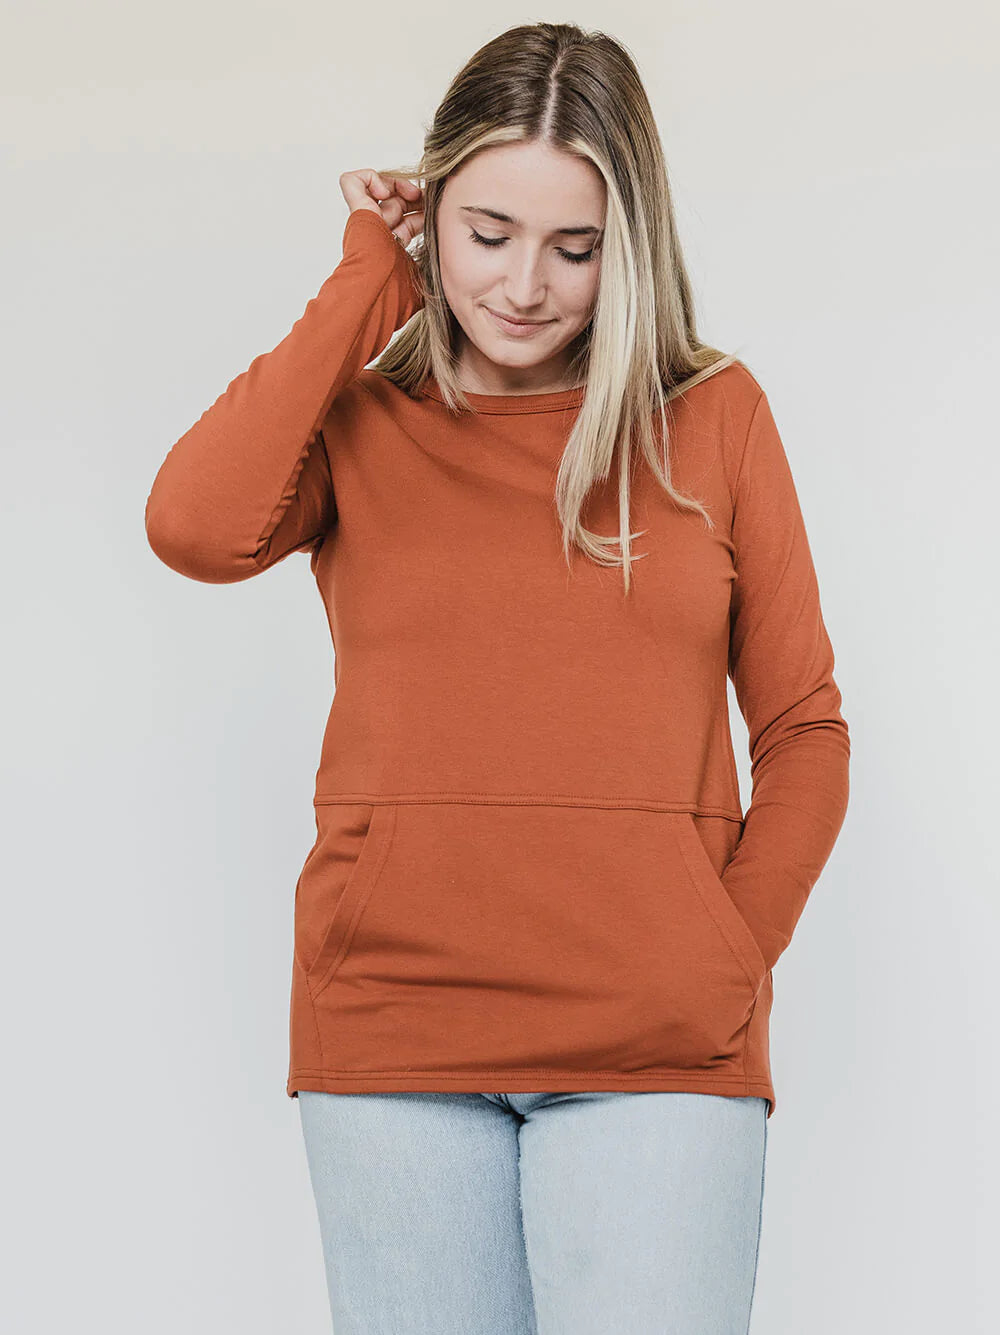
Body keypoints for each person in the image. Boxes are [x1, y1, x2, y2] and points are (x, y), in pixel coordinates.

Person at [144, 20, 850, 1335]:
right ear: (432, 217)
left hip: (658, 1046)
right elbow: (194, 529)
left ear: (632, 244)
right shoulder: (359, 419)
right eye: (487, 234)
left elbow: (805, 727)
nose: (526, 284)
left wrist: (723, 953)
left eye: (576, 247)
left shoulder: (713, 416)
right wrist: (366, 279)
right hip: (393, 1030)